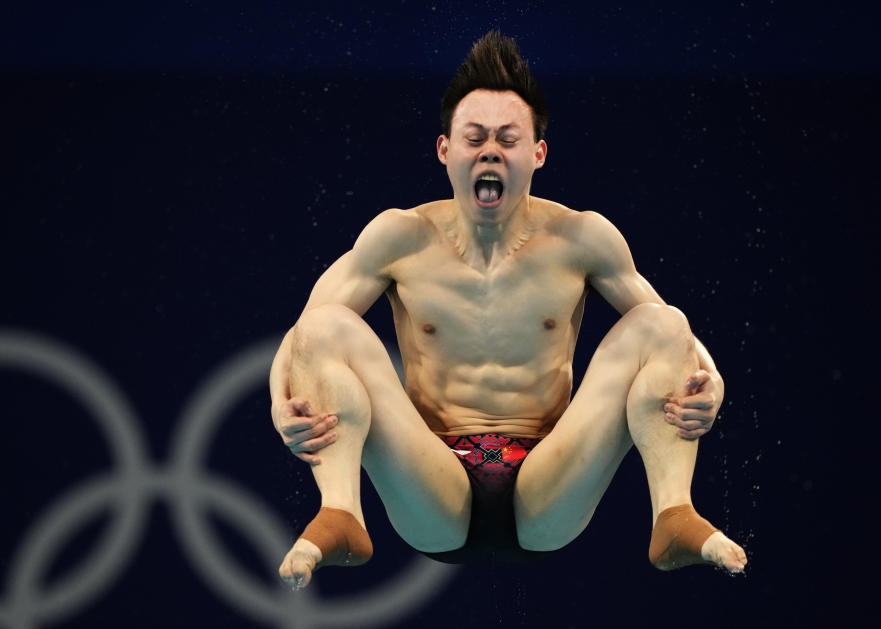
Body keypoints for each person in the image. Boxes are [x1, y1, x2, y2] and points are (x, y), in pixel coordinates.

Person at [270, 30, 747, 589]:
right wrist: (281, 406)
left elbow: (672, 331)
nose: (490, 150)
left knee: (660, 324)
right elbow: (304, 336)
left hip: (548, 487)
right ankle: (341, 512)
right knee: (326, 324)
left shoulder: (582, 239)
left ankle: (673, 513)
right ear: (445, 150)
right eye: (474, 138)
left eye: (506, 138)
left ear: (537, 154)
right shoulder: (398, 237)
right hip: (430, 483)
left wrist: (711, 380)